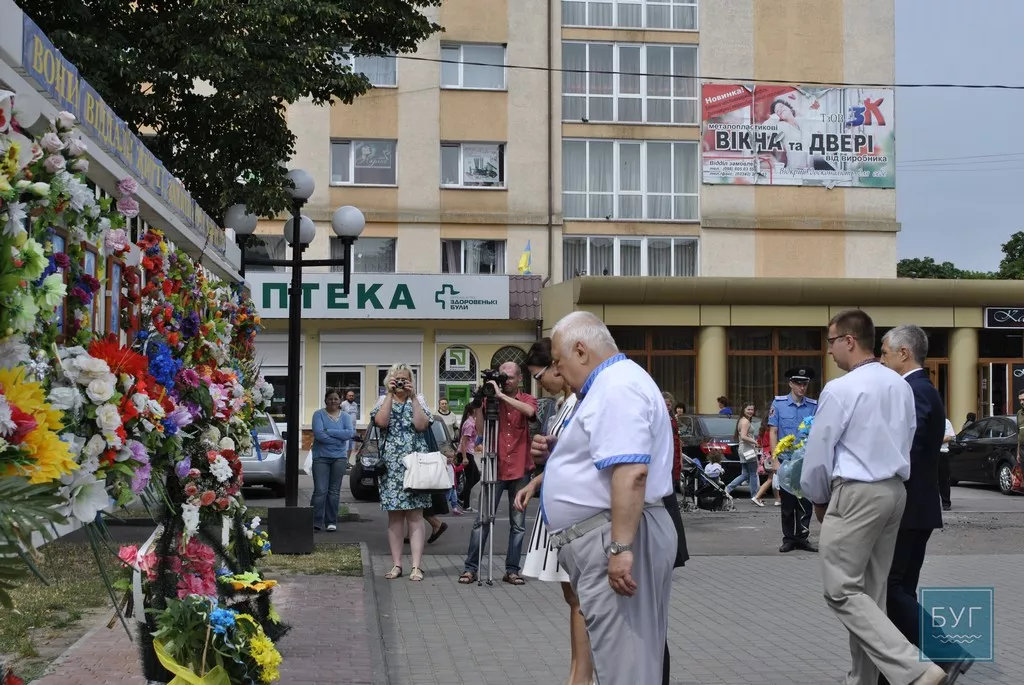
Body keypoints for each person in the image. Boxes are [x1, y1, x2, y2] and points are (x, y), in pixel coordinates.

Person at [800, 310, 948, 685]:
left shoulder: (841, 388)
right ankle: (864, 680)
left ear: (849, 340)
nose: (829, 350)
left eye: (831, 341)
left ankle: (914, 670)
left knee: (840, 591)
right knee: (872, 595)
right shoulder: (900, 385)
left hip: (856, 492)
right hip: (894, 491)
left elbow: (819, 453)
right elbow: (907, 436)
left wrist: (817, 497)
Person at [537, 311, 677, 684]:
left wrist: (619, 549)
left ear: (581, 350)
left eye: (558, 361)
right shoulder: (615, 383)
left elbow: (631, 473)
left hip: (614, 537)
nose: (559, 373)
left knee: (626, 669)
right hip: (611, 534)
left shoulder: (616, 387)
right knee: (625, 663)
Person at [879, 325, 973, 682]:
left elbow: (909, 451)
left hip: (909, 509)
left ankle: (947, 654)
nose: (883, 359)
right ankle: (909, 667)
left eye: (885, 353)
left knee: (892, 588)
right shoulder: (922, 388)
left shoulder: (914, 390)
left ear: (904, 353)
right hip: (918, 508)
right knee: (901, 588)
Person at [515, 337, 592, 685]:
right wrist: (535, 482)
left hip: (575, 512)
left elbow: (578, 453)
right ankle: (577, 670)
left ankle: (581, 676)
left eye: (540, 374)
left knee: (579, 597)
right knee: (570, 595)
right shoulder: (563, 403)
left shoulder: (582, 402)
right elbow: (562, 454)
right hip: (558, 504)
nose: (539, 382)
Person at [458, 362, 538, 586]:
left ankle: (512, 570)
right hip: (496, 466)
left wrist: (501, 396)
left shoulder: (526, 399)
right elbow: (481, 431)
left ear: (519, 379)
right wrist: (478, 406)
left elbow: (530, 413)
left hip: (520, 468)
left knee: (518, 524)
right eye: (503, 377)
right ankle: (471, 568)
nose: (506, 381)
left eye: (510, 377)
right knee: (481, 520)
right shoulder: (489, 399)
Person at [371, 363, 433, 582]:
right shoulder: (383, 400)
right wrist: (389, 394)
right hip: (392, 467)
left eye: (404, 379)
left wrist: (413, 397)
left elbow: (422, 425)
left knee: (416, 516)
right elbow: (381, 422)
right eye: (396, 379)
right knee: (395, 517)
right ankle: (397, 564)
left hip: (415, 465)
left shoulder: (419, 400)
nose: (400, 383)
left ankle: (416, 566)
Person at [769, 367, 818, 553]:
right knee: (788, 503)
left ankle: (803, 537)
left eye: (805, 384)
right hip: (786, 461)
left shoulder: (814, 405)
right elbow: (773, 431)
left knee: (805, 502)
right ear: (790, 383)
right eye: (798, 383)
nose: (802, 387)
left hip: (805, 460)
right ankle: (789, 538)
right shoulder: (779, 404)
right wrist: (775, 459)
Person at [310, 389, 356, 532]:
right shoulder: (318, 415)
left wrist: (329, 431)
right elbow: (318, 435)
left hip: (339, 458)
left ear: (340, 401)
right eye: (330, 399)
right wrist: (338, 439)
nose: (333, 401)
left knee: (334, 491)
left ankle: (331, 521)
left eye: (336, 399)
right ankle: (315, 521)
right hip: (321, 457)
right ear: (326, 400)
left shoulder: (346, 417)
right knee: (320, 490)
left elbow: (349, 433)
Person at [726, 401, 760, 502]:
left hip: (743, 449)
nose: (750, 411)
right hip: (748, 450)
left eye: (752, 409)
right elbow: (744, 436)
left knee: (745, 474)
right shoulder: (745, 422)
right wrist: (755, 442)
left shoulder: (742, 420)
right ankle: (755, 496)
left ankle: (728, 489)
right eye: (748, 409)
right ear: (743, 410)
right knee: (753, 473)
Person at [456, 400, 481, 511]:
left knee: (476, 476)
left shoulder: (470, 422)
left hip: (468, 452)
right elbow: (464, 441)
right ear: (473, 410)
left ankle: (462, 497)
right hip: (465, 453)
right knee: (470, 478)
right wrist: (465, 457)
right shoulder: (470, 424)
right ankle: (466, 504)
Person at [939, 416, 955, 511]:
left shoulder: (945, 422)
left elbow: (950, 436)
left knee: (944, 480)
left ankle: (946, 503)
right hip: (929, 453)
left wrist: (936, 441)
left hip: (943, 452)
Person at [340, 389, 359, 458]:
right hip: (345, 429)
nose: (351, 397)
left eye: (352, 396)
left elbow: (355, 416)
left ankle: (347, 461)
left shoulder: (355, 405)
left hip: (353, 429)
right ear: (346, 396)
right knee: (346, 446)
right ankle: (344, 461)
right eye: (349, 396)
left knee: (351, 447)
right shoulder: (343, 404)